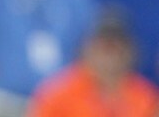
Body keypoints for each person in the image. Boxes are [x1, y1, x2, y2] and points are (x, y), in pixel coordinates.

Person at [28, 14, 159, 117]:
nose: (109, 58)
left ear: (130, 51)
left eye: (115, 48)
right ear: (87, 49)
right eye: (103, 48)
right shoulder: (57, 93)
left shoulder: (146, 96)